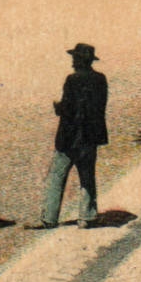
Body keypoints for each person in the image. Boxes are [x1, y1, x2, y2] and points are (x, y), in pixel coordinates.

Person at [28, 43, 109, 230]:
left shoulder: (72, 80)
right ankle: (87, 217)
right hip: (90, 137)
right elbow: (99, 107)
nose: (72, 61)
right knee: (87, 177)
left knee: (56, 176)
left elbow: (68, 109)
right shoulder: (100, 79)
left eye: (75, 58)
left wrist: (58, 108)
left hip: (70, 138)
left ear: (79, 60)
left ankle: (50, 218)